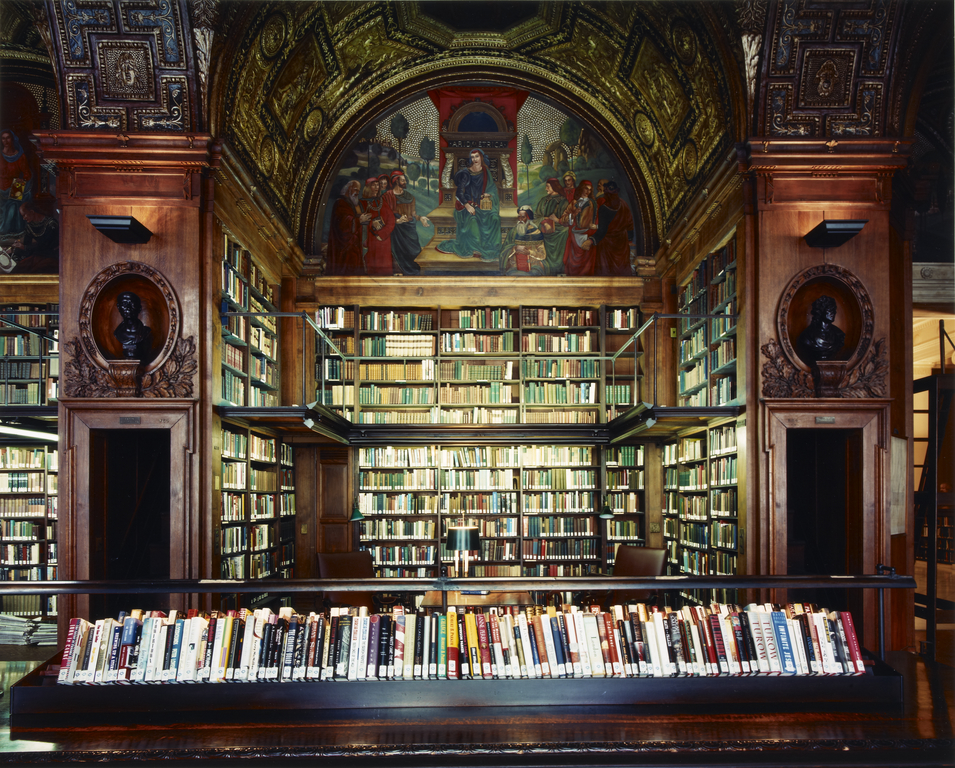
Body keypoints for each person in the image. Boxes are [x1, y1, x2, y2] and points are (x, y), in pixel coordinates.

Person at [436, 148, 501, 262]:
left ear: (481, 157)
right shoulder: (466, 173)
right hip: (466, 205)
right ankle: (474, 249)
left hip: (481, 205)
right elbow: (459, 193)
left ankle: (490, 247)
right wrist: (467, 205)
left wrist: (488, 194)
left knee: (495, 218)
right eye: (472, 157)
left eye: (477, 156)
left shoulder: (485, 171)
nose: (474, 159)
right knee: (473, 220)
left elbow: (492, 189)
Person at [386, 169, 432, 276]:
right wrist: (397, 221)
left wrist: (420, 218)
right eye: (403, 180)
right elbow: (385, 215)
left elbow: (413, 214)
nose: (405, 182)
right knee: (399, 252)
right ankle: (400, 272)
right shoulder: (387, 197)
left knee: (415, 250)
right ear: (396, 181)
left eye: (405, 180)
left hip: (409, 229)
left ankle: (415, 273)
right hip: (397, 231)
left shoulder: (410, 197)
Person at [590, 180, 636, 276]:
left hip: (607, 244)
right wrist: (630, 238)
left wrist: (591, 240)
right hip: (622, 243)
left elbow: (602, 230)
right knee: (620, 269)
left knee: (606, 271)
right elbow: (630, 223)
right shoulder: (624, 204)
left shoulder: (604, 208)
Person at [327, 180, 371, 275]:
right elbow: (343, 222)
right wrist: (359, 220)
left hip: (352, 245)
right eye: (355, 189)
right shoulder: (341, 203)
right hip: (344, 246)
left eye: (358, 190)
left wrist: (360, 218)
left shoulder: (349, 203)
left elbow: (351, 217)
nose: (357, 193)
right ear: (349, 189)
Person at [6, 202, 58, 274]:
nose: (24, 218)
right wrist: (14, 249)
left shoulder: (51, 224)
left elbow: (45, 246)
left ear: (32, 212)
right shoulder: (30, 225)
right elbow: (27, 244)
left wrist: (24, 247)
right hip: (37, 254)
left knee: (26, 268)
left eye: (25, 215)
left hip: (50, 255)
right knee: (16, 265)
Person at [360, 173, 396, 275]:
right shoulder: (362, 203)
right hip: (371, 239)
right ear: (368, 187)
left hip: (384, 240)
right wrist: (371, 224)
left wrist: (383, 233)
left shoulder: (382, 201)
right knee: (372, 265)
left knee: (385, 267)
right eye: (373, 185)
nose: (376, 187)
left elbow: (391, 220)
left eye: (377, 185)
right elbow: (360, 220)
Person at [562, 180, 599, 276]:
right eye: (586, 188)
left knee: (586, 265)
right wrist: (573, 215)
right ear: (581, 188)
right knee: (573, 265)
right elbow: (563, 219)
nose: (588, 191)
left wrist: (595, 226)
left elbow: (598, 220)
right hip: (574, 237)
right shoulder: (574, 203)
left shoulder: (593, 204)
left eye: (590, 190)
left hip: (587, 235)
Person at [0, 129, 32, 237]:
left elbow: (27, 174)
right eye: (3, 138)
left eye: (8, 138)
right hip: (0, 187)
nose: (6, 141)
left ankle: (10, 233)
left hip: (15, 186)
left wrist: (22, 180)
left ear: (12, 139)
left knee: (13, 206)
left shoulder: (20, 156)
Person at [535, 177, 570, 273]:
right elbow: (537, 216)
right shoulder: (543, 200)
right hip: (544, 233)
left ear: (554, 187)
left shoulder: (564, 202)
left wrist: (555, 222)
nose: (546, 189)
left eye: (548, 187)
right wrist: (544, 221)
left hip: (559, 235)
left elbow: (566, 221)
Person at [796, 295, 846, 363]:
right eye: (829, 309)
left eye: (834, 309)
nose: (833, 312)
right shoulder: (807, 335)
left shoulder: (839, 334)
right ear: (820, 311)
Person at [500, 205, 548, 275]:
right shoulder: (513, 232)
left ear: (529, 218)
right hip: (515, 266)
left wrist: (529, 252)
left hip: (533, 265)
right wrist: (514, 248)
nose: (520, 219)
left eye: (523, 217)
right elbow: (503, 252)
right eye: (519, 217)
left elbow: (542, 255)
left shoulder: (536, 232)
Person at [113, 291, 153, 361]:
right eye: (124, 304)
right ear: (119, 307)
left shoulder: (145, 332)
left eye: (132, 303)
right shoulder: (117, 333)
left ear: (139, 308)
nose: (128, 307)